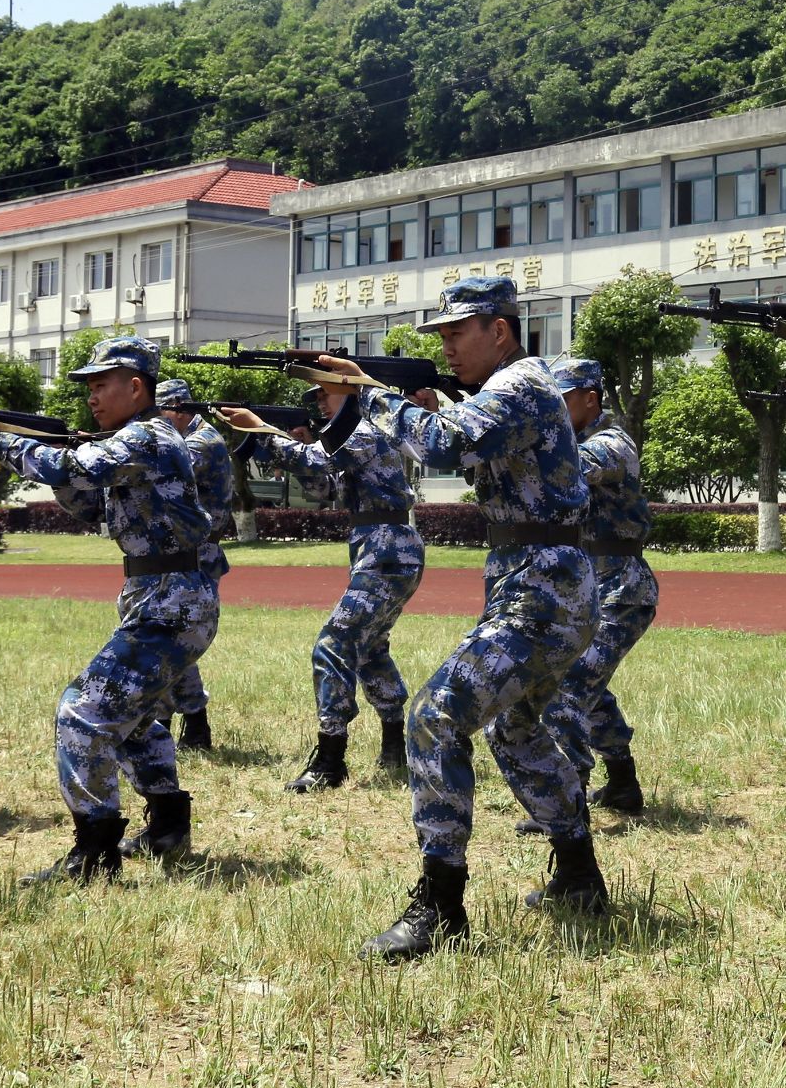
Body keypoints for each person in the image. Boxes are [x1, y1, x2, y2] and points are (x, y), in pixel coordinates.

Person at [311, 277, 603, 961]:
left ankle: (440, 907)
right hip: (538, 583)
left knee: (435, 715)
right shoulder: (512, 389)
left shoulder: (524, 384)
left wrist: (370, 392)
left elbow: (444, 447)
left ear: (498, 329)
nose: (445, 347)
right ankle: (580, 875)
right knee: (515, 727)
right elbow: (458, 435)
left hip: (544, 589)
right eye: (440, 336)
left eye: (454, 333)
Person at [0, 336, 215, 883]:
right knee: (136, 717)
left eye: (101, 384)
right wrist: (45, 451)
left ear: (136, 386)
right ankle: (168, 822)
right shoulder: (133, 440)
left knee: (82, 711)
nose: (92, 396)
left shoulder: (147, 435)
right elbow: (91, 500)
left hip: (173, 600)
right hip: (160, 595)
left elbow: (71, 466)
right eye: (89, 387)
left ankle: (95, 853)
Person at [218, 381, 420, 793]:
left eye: (326, 395)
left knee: (334, 644)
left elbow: (314, 462)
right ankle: (394, 744)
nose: (321, 404)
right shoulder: (351, 439)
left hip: (387, 551)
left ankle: (331, 759)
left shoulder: (367, 429)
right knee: (371, 648)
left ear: (351, 394)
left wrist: (263, 431)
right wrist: (284, 447)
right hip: (381, 549)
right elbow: (323, 487)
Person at [536, 356, 655, 816]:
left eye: (562, 402)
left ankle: (568, 793)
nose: (556, 413)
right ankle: (623, 782)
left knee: (567, 684)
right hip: (587, 584)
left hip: (621, 588)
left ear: (591, 398)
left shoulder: (611, 444)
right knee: (588, 685)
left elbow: (568, 469)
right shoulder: (577, 437)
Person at [153, 379, 230, 754]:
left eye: (160, 415)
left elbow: (164, 464)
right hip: (180, 554)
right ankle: (171, 723)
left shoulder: (203, 442)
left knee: (177, 641)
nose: (156, 424)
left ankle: (191, 724)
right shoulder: (188, 436)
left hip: (197, 557)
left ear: (180, 410)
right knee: (169, 639)